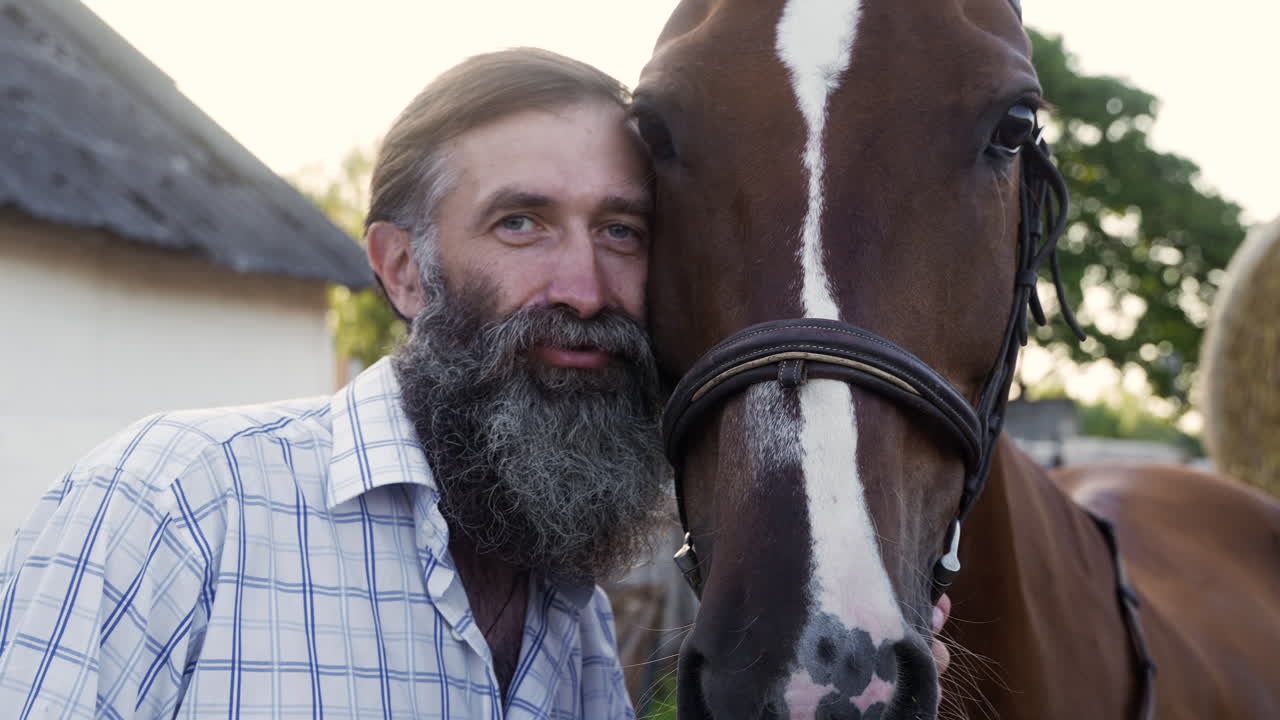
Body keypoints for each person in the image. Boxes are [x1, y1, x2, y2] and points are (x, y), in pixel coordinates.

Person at [0, 47, 948, 719]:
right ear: (402, 270)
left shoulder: (565, 609)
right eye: (521, 224)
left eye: (621, 231)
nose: (584, 291)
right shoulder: (177, 505)